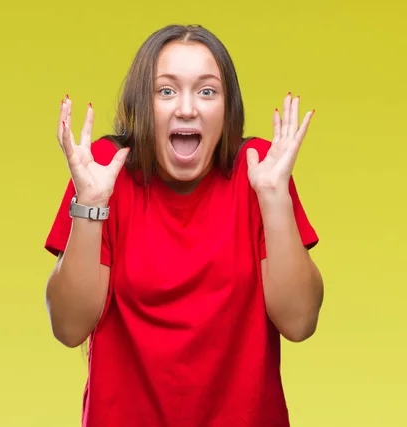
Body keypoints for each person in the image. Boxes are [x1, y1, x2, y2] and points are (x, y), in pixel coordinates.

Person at [43, 24, 324, 427]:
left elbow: (299, 322)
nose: (187, 108)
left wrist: (275, 198)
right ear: (143, 103)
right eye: (166, 90)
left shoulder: (259, 169)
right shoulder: (106, 170)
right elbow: (69, 328)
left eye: (207, 91)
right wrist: (90, 204)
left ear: (227, 108)